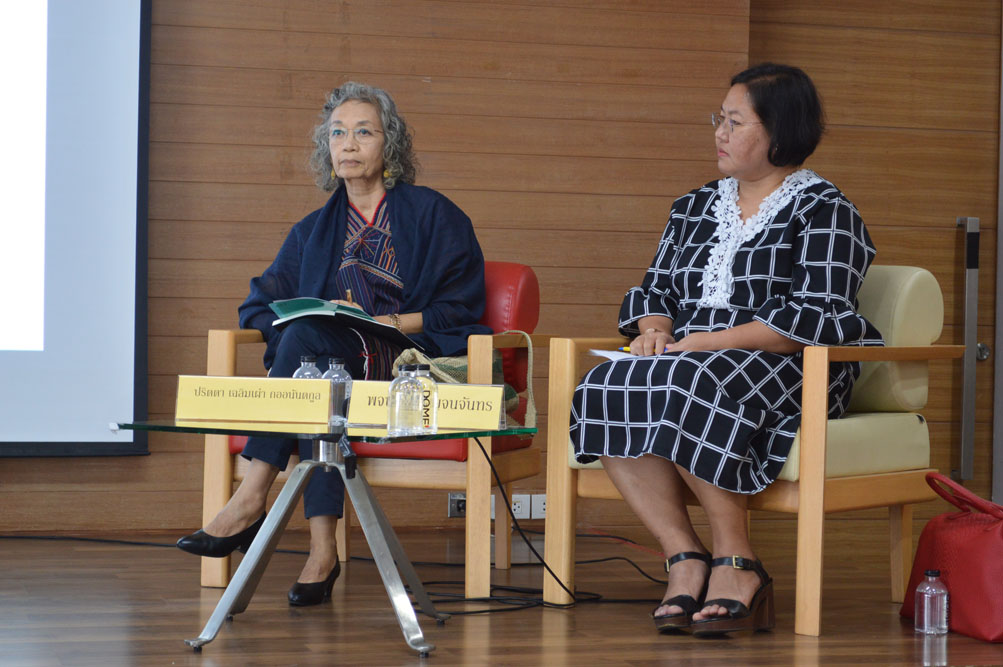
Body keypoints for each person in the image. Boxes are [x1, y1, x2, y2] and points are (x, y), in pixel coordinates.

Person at [569, 63, 883, 636]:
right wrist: (655, 329)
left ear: (780, 131)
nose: (719, 132)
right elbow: (656, 290)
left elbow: (814, 317)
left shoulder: (825, 209)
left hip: (795, 364)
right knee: (605, 384)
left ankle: (738, 561)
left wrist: (705, 343)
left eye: (735, 122)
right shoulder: (692, 207)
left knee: (689, 379)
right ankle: (684, 557)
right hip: (692, 357)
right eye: (719, 118)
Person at [177, 82, 491, 606]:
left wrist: (386, 320)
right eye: (338, 133)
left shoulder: (434, 215)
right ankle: (321, 551)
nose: (348, 143)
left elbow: (460, 307)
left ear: (390, 144)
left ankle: (252, 498)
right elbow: (259, 305)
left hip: (405, 364)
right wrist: (308, 320)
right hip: (335, 370)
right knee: (316, 366)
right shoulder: (312, 232)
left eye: (363, 132)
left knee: (310, 356)